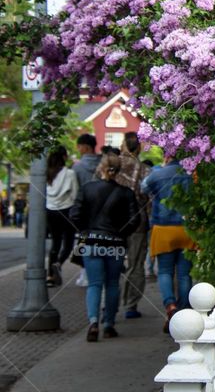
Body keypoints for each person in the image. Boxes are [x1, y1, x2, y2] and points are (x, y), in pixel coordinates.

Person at [70, 152, 140, 342]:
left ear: (101, 167)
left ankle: (93, 322)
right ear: (119, 170)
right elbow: (136, 220)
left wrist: (85, 230)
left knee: (94, 284)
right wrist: (121, 233)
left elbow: (75, 214)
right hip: (115, 244)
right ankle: (109, 323)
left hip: (91, 243)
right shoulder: (126, 193)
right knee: (112, 284)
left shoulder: (87, 189)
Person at [99, 132, 150, 319]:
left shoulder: (110, 166)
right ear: (139, 147)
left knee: (110, 264)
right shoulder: (144, 170)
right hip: (137, 221)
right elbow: (148, 198)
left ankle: (107, 306)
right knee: (135, 265)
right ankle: (130, 305)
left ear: (122, 145)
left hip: (111, 222)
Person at [141, 155, 194, 333]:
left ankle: (170, 306)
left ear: (166, 155)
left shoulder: (157, 174)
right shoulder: (191, 173)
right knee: (184, 274)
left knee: (164, 271)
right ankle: (184, 312)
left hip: (163, 228)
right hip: (187, 229)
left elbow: (143, 188)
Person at [45, 146, 79, 287]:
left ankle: (49, 277)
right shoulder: (70, 173)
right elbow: (75, 194)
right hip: (67, 211)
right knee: (68, 244)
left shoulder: (47, 174)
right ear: (64, 157)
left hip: (50, 211)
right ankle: (58, 263)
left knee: (55, 242)